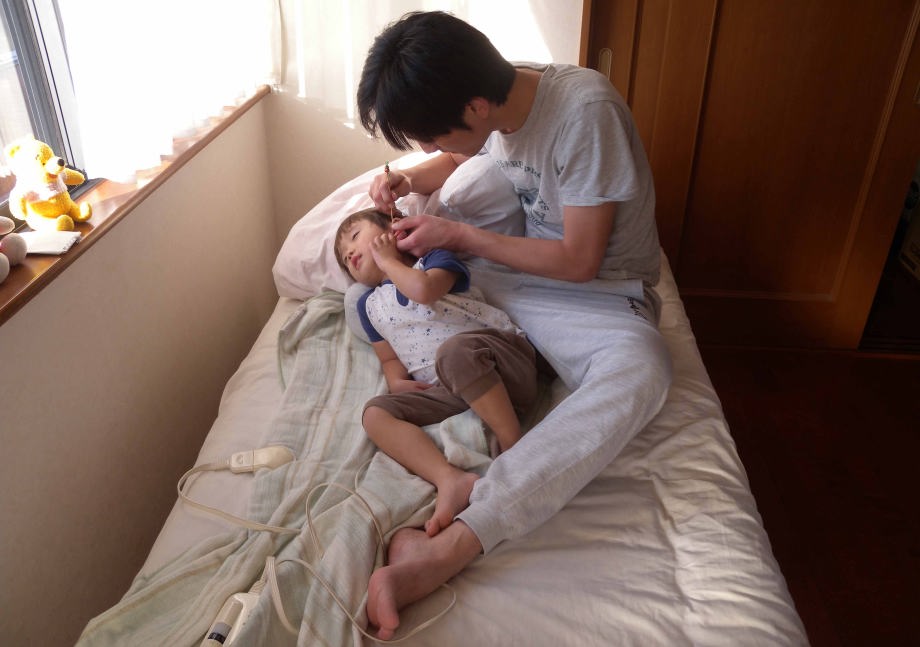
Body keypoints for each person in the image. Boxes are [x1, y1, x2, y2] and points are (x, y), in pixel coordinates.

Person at [357, 11, 673, 639]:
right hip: (506, 279)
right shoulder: (498, 102)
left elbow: (581, 262)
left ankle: (455, 542)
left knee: (645, 370)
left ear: (475, 106)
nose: (429, 147)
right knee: (432, 264)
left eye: (427, 135)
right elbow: (458, 157)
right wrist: (407, 179)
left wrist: (457, 235)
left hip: (596, 295)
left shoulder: (584, 113)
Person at [334, 207, 538, 537]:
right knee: (374, 414)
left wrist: (388, 262)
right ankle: (448, 479)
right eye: (345, 258)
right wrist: (397, 381)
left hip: (500, 363)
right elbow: (388, 358)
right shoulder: (369, 305)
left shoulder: (433, 260)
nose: (351, 253)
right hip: (451, 391)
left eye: (355, 237)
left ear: (394, 228)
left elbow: (424, 291)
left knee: (453, 353)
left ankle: (513, 446)